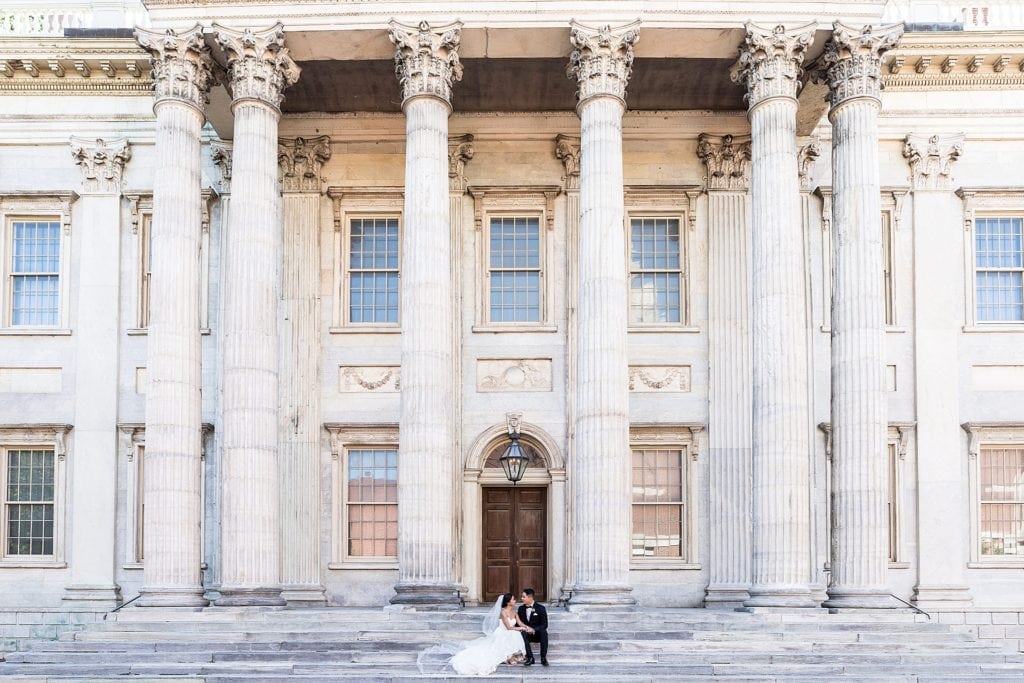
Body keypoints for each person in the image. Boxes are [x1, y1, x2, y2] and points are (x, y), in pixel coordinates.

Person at [416, 593, 526, 676]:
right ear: (508, 602)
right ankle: (508, 657)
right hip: (503, 633)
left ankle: (511, 656)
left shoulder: (514, 612)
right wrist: (521, 628)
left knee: (515, 635)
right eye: (513, 599)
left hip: (512, 633)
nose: (515, 600)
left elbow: (520, 622)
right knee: (511, 635)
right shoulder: (503, 612)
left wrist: (526, 627)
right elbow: (509, 627)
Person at [517, 587, 549, 666]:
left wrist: (534, 630)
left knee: (544, 632)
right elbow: (518, 623)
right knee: (523, 633)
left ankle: (543, 658)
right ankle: (530, 658)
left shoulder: (541, 608)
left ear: (530, 597)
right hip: (526, 634)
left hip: (537, 634)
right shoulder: (521, 609)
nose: (522, 598)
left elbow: (545, 624)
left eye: (523, 597)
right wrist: (525, 629)